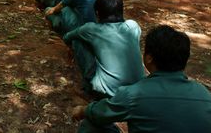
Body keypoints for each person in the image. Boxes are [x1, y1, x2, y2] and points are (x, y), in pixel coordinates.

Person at [72, 25, 211, 133]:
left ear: (149, 58)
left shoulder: (134, 94)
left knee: (92, 124)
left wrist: (83, 110)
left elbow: (99, 113)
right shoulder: (204, 94)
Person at [63, 0, 144, 97]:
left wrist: (69, 45)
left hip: (108, 92)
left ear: (97, 13)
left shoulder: (91, 29)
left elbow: (68, 37)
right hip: (138, 89)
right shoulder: (133, 26)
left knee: (78, 41)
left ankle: (88, 88)